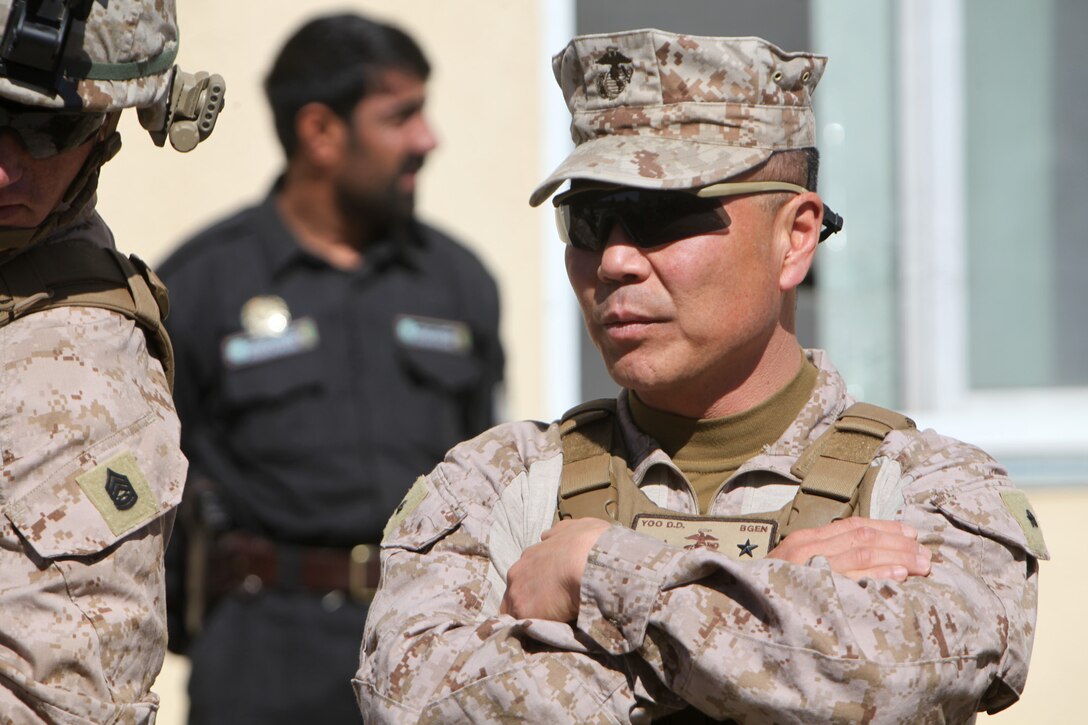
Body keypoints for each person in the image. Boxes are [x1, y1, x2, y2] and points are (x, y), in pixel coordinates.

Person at [355, 29, 1047, 723]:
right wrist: (778, 615)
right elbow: (414, 697)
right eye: (591, 220)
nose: (616, 261)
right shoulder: (493, 482)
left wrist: (598, 572)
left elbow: (902, 672)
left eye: (664, 214)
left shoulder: (933, 488)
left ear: (795, 236)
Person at [158, 12, 504, 724]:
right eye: (401, 116)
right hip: (262, 659)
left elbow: (486, 473)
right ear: (320, 131)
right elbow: (156, 489)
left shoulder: (458, 280)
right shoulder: (200, 285)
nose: (427, 139)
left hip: (428, 648)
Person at [0, 0, 223, 721]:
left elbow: (53, 703)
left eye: (46, 129)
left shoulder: (74, 376)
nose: (5, 170)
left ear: (104, 133)